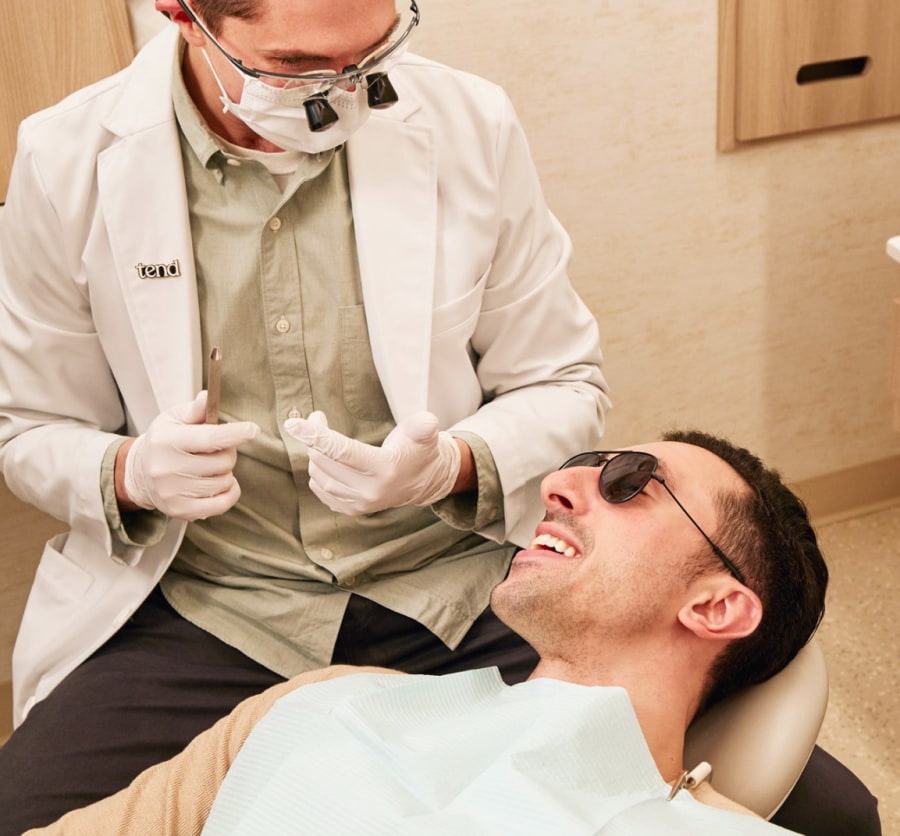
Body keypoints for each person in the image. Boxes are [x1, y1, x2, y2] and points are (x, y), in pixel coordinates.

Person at [0, 0, 609, 832]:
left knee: (811, 803)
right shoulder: (65, 157)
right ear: (183, 14)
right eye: (294, 68)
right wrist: (128, 473)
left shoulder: (471, 123)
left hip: (458, 589)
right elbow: (27, 425)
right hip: (211, 606)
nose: (343, 94)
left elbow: (565, 379)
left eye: (370, 55)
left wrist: (452, 466)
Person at [24, 430, 829, 834]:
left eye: (631, 484)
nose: (556, 484)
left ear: (716, 606)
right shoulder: (318, 705)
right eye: (583, 460)